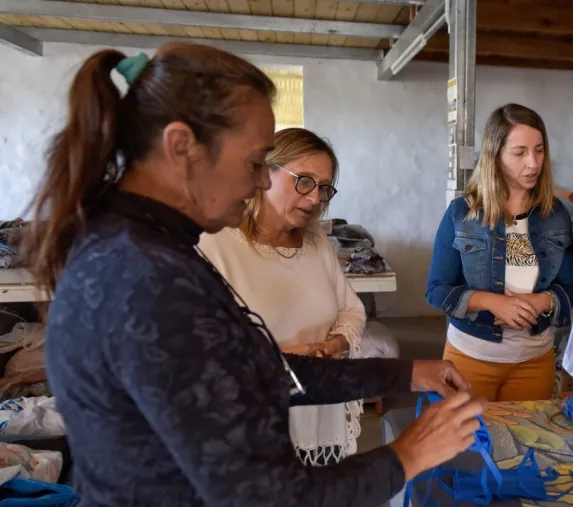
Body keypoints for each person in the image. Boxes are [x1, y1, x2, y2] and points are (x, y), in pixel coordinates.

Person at [26, 43, 485, 507]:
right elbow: (269, 497)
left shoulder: (141, 247)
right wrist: (410, 453)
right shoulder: (147, 280)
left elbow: (260, 371)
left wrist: (407, 374)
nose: (262, 182)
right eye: (254, 163)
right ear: (182, 147)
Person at [199, 127, 367, 466]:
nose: (314, 199)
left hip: (317, 415)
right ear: (264, 172)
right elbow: (196, 348)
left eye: (324, 188)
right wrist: (279, 359)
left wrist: (336, 343)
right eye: (303, 181)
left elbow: (352, 310)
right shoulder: (216, 245)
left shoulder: (316, 242)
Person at [426, 103, 573, 402]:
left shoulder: (556, 215)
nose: (533, 163)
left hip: (535, 361)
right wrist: (494, 303)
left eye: (539, 150)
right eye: (519, 153)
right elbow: (436, 290)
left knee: (526, 444)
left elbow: (570, 289)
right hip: (471, 358)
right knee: (471, 446)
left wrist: (541, 301)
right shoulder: (462, 213)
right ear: (495, 156)